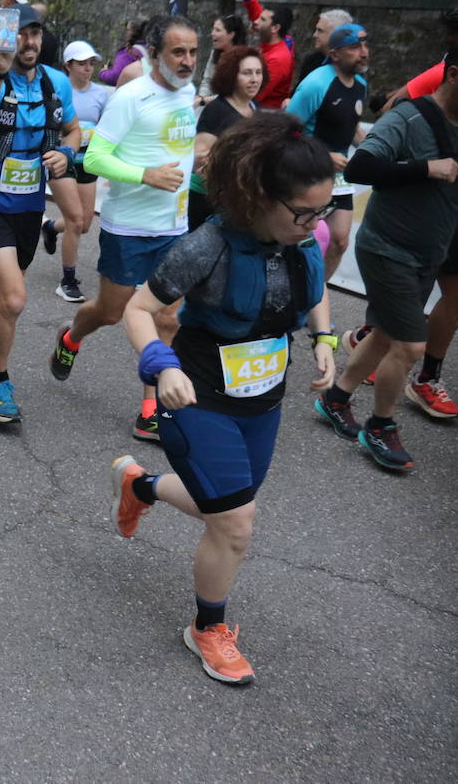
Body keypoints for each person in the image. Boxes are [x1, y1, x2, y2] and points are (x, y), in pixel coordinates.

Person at [111, 111, 337, 686]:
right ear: (259, 196)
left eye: (322, 211)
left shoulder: (300, 239)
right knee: (235, 523)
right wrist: (160, 367)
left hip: (263, 400)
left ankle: (139, 485)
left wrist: (325, 340)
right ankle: (207, 628)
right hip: (195, 397)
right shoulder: (205, 247)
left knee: (223, 506)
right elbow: (138, 310)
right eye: (304, 212)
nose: (314, 225)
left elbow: (314, 292)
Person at [314, 36, 458, 471]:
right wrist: (426, 168)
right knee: (409, 345)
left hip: (429, 249)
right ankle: (380, 427)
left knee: (387, 334)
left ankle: (335, 400)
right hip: (388, 249)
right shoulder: (408, 120)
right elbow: (360, 167)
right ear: (454, 75)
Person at [50, 15, 200, 443]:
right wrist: (145, 175)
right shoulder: (131, 97)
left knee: (168, 317)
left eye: (192, 51)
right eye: (178, 52)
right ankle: (71, 335)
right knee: (111, 313)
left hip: (174, 226)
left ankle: (150, 410)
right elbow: (94, 159)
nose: (187, 60)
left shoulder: (187, 92)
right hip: (129, 227)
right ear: (154, 54)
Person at [0, 9, 80, 423]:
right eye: (21, 35)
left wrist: (66, 154)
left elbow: (73, 130)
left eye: (35, 35)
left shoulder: (55, 81)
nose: (29, 43)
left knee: (0, 292)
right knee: (13, 297)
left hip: (29, 208)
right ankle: (0, 381)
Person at [287, 23, 369, 282]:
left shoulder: (361, 85)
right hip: (308, 172)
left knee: (340, 241)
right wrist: (324, 156)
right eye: (355, 47)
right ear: (334, 54)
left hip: (339, 178)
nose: (364, 52)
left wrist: (371, 148)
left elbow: (350, 123)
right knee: (300, 242)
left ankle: (315, 299)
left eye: (365, 44)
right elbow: (285, 132)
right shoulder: (316, 84)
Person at [41, 40, 108, 302]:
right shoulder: (58, 90)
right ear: (68, 66)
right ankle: (67, 281)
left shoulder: (102, 95)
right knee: (76, 220)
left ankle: (49, 227)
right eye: (82, 64)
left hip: (87, 161)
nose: (88, 68)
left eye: (91, 63)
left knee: (85, 224)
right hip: (60, 160)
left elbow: (105, 130)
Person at [191, 46, 265, 230]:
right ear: (232, 76)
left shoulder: (254, 106)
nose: (254, 79)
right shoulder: (217, 110)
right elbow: (201, 161)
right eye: (247, 73)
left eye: (258, 72)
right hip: (207, 202)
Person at [234, 0, 295, 109]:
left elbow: (255, 93)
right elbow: (262, 17)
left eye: (261, 20)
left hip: (264, 117)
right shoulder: (276, 41)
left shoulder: (278, 59)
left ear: (275, 28)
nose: (255, 22)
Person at [296, 8, 353, 86]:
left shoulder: (351, 65)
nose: (315, 35)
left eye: (320, 31)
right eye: (316, 30)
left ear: (336, 35)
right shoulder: (312, 60)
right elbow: (298, 91)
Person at [197, 13, 245, 104]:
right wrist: (201, 96)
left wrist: (203, 101)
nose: (212, 33)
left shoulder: (243, 59)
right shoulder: (215, 53)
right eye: (213, 29)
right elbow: (207, 81)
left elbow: (234, 94)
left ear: (231, 35)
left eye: (217, 30)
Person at [99, 18, 147, 86]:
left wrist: (103, 72)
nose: (126, 33)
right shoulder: (152, 51)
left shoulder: (128, 53)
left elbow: (115, 78)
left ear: (132, 32)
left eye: (127, 30)